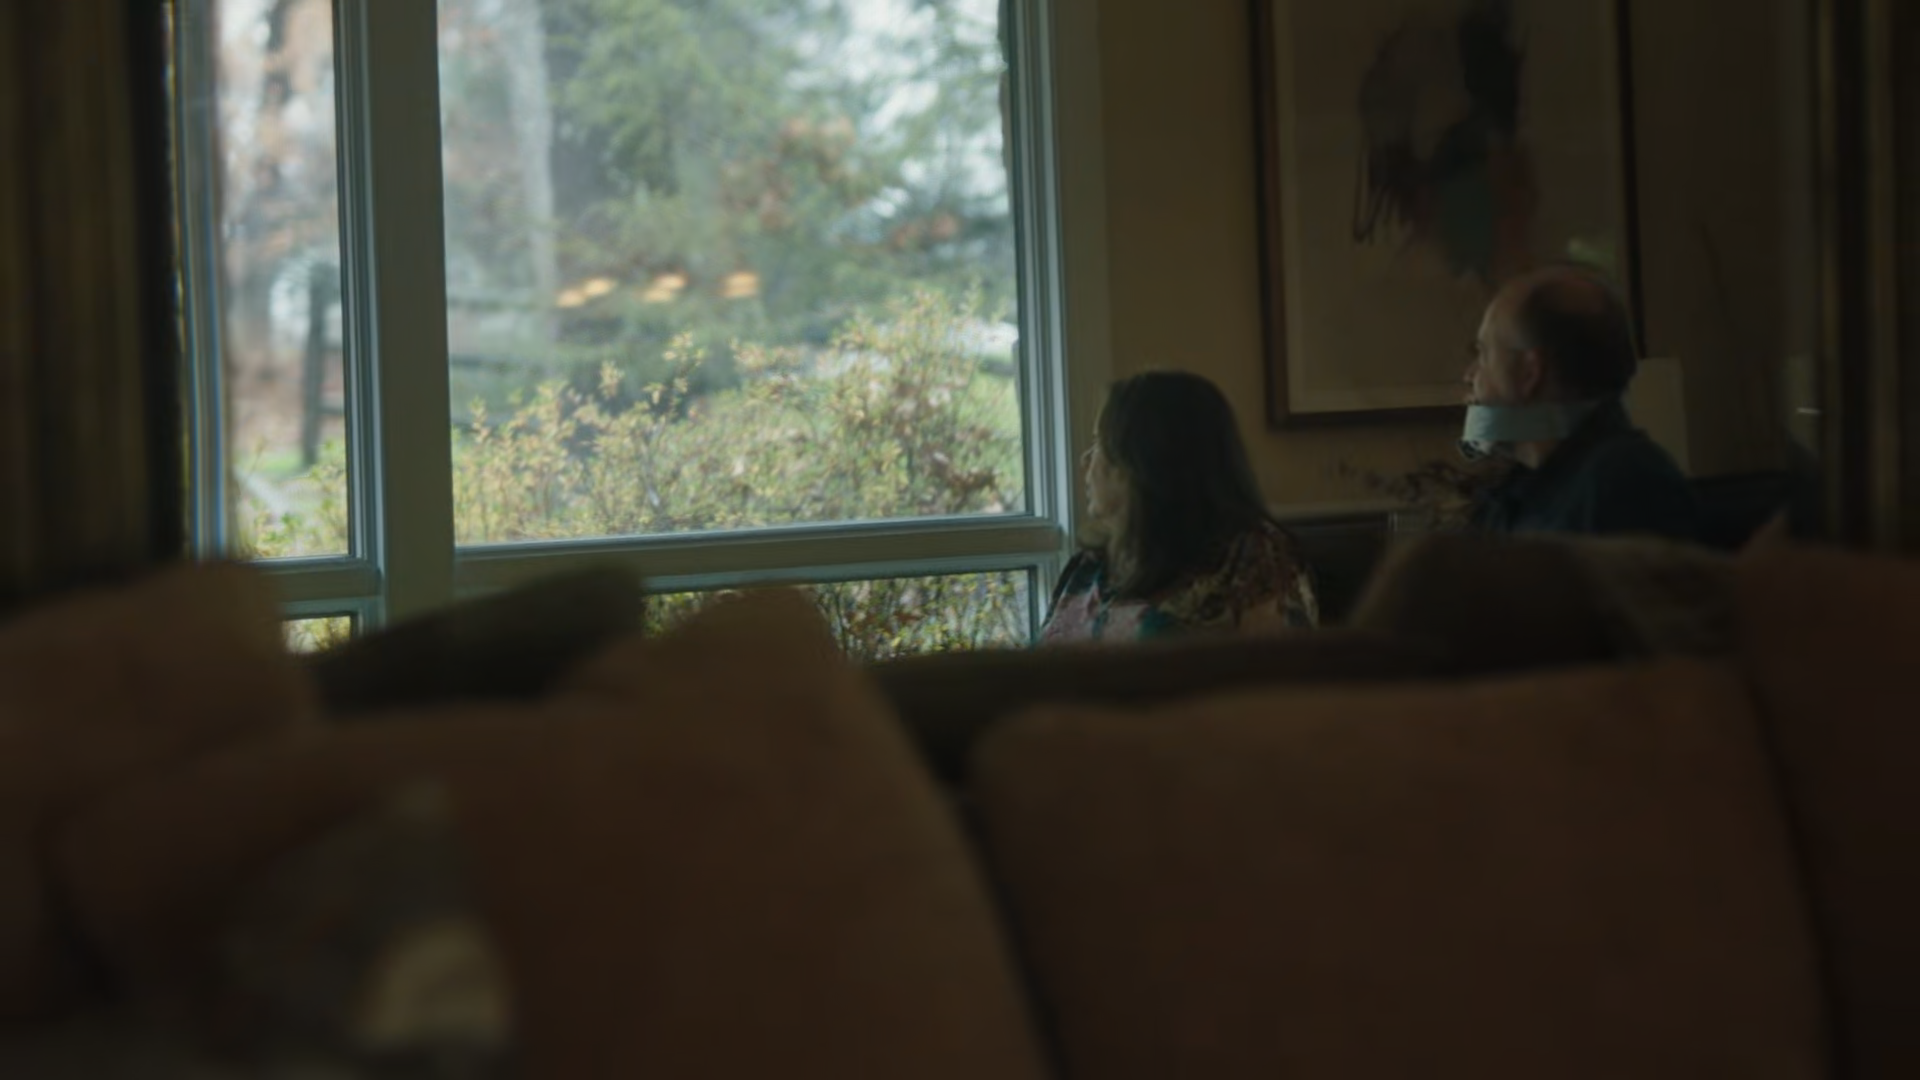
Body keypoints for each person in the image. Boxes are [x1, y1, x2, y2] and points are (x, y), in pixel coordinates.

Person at [1038, 372, 1318, 645]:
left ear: (1140, 461)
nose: (1085, 460)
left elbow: (1279, 668)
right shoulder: (1090, 564)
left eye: (1098, 442)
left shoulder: (1251, 559)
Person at [1463, 264, 1700, 540]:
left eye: (1483, 354)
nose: (1470, 375)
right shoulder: (1522, 489)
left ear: (1529, 373)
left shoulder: (1624, 485)